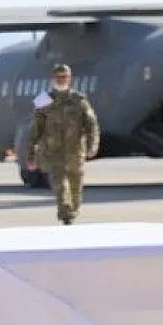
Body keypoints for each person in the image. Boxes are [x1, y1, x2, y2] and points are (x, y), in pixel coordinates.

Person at [25, 64, 99, 225]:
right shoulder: (42, 100)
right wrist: (30, 154)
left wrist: (92, 145)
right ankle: (65, 214)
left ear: (69, 79)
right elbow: (35, 129)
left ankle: (72, 210)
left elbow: (91, 124)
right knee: (61, 187)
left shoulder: (79, 100)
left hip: (75, 152)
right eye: (58, 77)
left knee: (75, 189)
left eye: (64, 77)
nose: (61, 80)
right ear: (53, 79)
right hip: (53, 153)